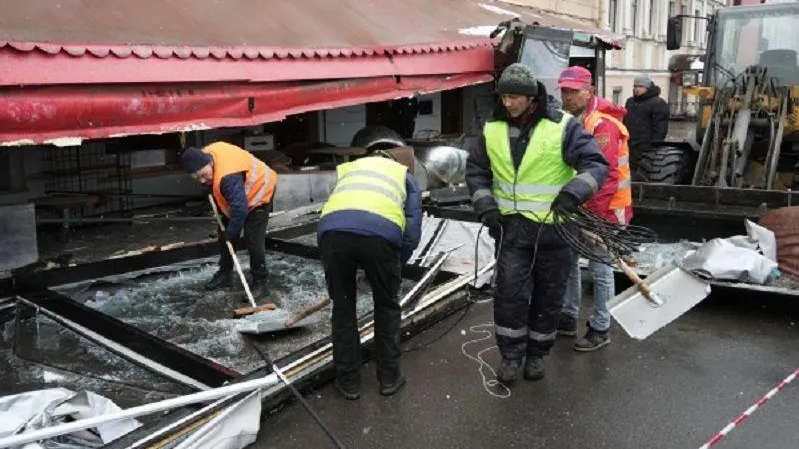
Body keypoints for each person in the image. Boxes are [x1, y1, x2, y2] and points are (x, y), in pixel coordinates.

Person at [465, 63, 609, 384]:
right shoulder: (492, 128)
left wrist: (575, 192)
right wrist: (485, 205)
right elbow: (476, 172)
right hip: (511, 230)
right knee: (509, 295)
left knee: (549, 295)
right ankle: (511, 357)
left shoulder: (564, 127)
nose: (508, 104)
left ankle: (537, 355)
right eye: (503, 96)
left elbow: (596, 164)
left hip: (555, 229)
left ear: (531, 98)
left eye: (514, 97)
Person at [317, 149, 423, 400]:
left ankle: (349, 383)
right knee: (386, 307)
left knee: (343, 309)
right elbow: (412, 233)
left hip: (332, 233)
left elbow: (342, 213)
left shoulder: (348, 171)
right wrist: (393, 266)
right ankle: (389, 379)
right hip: (381, 233)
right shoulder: (402, 176)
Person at [556, 66, 633, 351]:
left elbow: (608, 175)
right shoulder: (574, 120)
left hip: (607, 208)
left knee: (601, 268)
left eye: (573, 91)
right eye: (564, 90)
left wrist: (597, 219)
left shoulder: (603, 125)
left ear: (589, 90)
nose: (567, 96)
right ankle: (568, 316)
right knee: (571, 262)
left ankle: (601, 327)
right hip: (581, 206)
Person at [181, 142, 277, 298]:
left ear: (210, 163)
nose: (203, 180)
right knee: (224, 233)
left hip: (260, 191)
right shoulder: (203, 157)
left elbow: (239, 210)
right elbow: (231, 202)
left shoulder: (228, 177)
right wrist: (228, 233)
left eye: (204, 175)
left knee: (253, 239)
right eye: (197, 178)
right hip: (238, 196)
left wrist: (232, 233)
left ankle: (261, 282)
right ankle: (225, 274)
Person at [623, 74, 669, 174]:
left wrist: (656, 143)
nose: (637, 89)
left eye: (640, 86)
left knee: (645, 172)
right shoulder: (630, 102)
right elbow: (625, 120)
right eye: (635, 86)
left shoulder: (658, 103)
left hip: (647, 146)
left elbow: (661, 125)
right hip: (630, 144)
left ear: (647, 88)